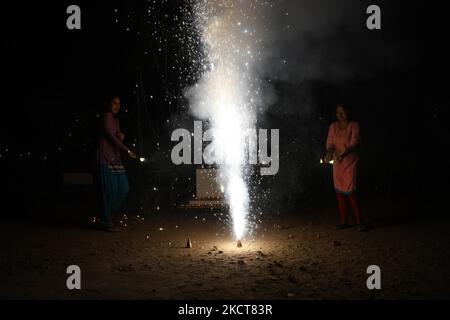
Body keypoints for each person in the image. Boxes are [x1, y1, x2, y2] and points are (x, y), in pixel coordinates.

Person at [93, 96, 137, 232]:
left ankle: (106, 215)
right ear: (108, 103)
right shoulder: (105, 116)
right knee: (109, 191)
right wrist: (127, 150)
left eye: (119, 104)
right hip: (104, 158)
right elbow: (110, 137)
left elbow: (115, 135)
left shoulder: (116, 120)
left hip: (115, 159)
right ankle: (106, 220)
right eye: (114, 103)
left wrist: (120, 134)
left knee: (124, 188)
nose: (117, 106)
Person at [325, 104, 367, 232]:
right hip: (338, 163)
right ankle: (344, 221)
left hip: (350, 162)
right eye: (338, 112)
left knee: (350, 191)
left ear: (349, 112)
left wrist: (342, 155)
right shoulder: (333, 126)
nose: (340, 115)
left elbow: (354, 143)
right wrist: (329, 153)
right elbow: (330, 143)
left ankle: (360, 222)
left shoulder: (354, 125)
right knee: (339, 192)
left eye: (343, 112)